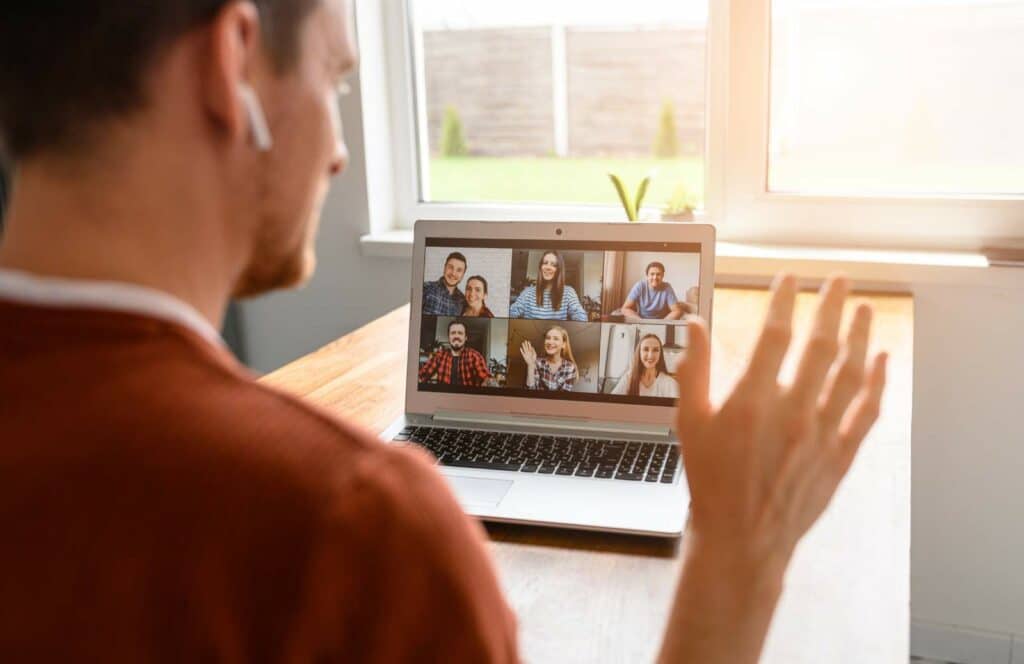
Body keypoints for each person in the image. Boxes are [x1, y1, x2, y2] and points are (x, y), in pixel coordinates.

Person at [0, 0, 888, 659]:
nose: (340, 150)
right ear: (233, 65)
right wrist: (738, 563)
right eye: (337, 77)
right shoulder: (357, 533)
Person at [509, 250, 587, 321]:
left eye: (553, 265)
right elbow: (511, 312)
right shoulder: (527, 292)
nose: (548, 267)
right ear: (541, 267)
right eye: (545, 263)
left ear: (559, 270)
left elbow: (580, 316)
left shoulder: (568, 292)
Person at [418, 319, 492, 387]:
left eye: (460, 333)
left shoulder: (474, 356)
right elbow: (421, 376)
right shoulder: (439, 356)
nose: (456, 336)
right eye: (453, 333)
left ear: (466, 337)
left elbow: (487, 378)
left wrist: (488, 384)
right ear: (449, 337)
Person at [611, 333, 679, 398]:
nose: (650, 355)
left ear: (660, 355)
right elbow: (611, 403)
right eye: (646, 349)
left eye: (655, 350)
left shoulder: (669, 383)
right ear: (639, 352)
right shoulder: (628, 378)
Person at [621, 261, 690, 320]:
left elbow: (677, 311)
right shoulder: (640, 286)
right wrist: (640, 321)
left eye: (658, 274)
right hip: (642, 320)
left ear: (663, 276)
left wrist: (662, 323)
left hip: (661, 321)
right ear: (647, 276)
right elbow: (625, 308)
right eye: (652, 274)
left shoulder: (667, 287)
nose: (655, 277)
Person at [520, 325, 579, 391]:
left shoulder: (570, 367)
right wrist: (531, 365)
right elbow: (529, 394)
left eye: (556, 338)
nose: (550, 342)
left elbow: (563, 398)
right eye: (548, 338)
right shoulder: (536, 363)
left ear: (563, 345)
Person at [423, 251, 467, 315]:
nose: (453, 273)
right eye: (450, 267)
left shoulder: (462, 300)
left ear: (463, 275)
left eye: (459, 270)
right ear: (444, 267)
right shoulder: (426, 288)